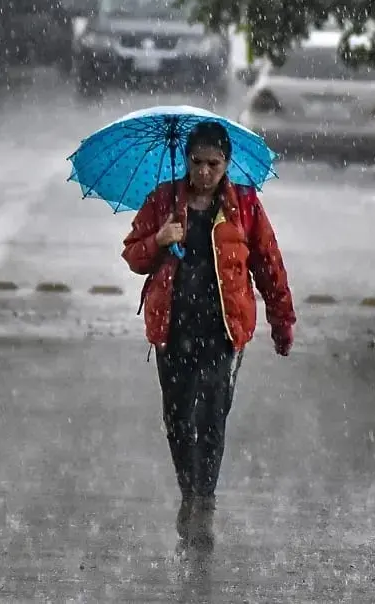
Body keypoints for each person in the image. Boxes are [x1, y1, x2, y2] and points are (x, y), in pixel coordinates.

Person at [122, 120, 297, 550]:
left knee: (212, 418)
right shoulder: (165, 200)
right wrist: (160, 239)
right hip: (173, 328)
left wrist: (282, 320)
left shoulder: (246, 207)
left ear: (227, 164)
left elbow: (269, 265)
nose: (203, 173)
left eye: (213, 164)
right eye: (197, 162)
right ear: (186, 160)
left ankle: (205, 503)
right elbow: (133, 253)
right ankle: (187, 492)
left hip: (222, 331)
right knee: (178, 419)